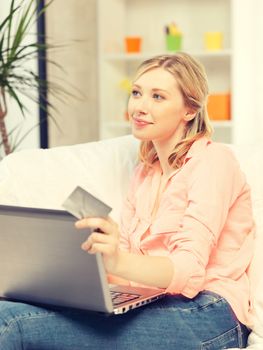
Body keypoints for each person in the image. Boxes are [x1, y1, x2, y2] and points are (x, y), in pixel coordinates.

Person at [0, 53, 254, 349]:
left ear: (189, 109)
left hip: (210, 313)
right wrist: (79, 266)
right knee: (8, 309)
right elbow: (132, 263)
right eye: (136, 93)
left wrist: (118, 260)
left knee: (11, 324)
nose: (139, 107)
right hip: (153, 304)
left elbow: (188, 271)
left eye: (158, 97)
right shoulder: (146, 172)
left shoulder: (213, 161)